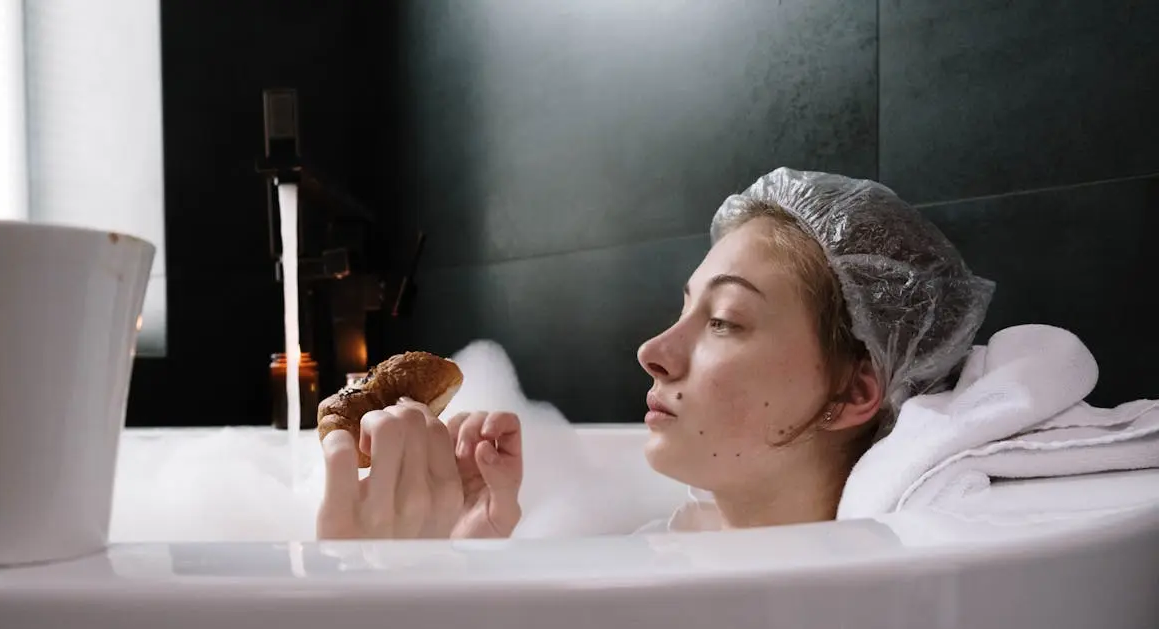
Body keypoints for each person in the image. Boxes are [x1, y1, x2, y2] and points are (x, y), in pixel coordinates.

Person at [316, 168, 995, 539]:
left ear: (852, 393)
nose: (653, 351)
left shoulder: (850, 616)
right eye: (683, 309)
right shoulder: (652, 547)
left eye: (725, 321)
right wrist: (464, 563)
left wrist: (377, 581)